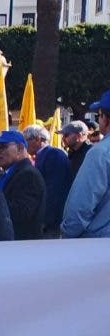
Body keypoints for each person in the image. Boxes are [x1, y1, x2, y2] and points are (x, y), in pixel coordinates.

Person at [61, 93, 110, 238]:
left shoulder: (100, 153)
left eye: (99, 115)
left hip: (98, 246)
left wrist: (68, 235)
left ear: (106, 119)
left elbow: (80, 207)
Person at [0, 130, 46, 241]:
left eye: (3, 147)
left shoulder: (28, 175)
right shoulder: (10, 173)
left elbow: (21, 213)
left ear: (20, 148)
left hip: (21, 246)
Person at [21, 124, 68, 236]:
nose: (24, 145)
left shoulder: (54, 155)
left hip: (51, 222)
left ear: (37, 139)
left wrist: (45, 220)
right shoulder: (44, 155)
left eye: (26, 140)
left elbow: (54, 191)